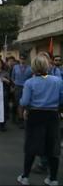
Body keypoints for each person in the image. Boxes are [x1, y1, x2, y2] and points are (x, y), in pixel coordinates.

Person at [17, 54, 62, 186]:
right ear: (47, 66)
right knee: (52, 147)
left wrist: (23, 104)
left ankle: (25, 177)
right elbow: (62, 99)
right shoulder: (57, 81)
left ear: (34, 67)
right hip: (52, 115)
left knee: (31, 146)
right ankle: (53, 178)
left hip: (35, 115)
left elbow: (24, 101)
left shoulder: (30, 82)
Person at [11, 54, 33, 129]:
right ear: (19, 59)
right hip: (17, 87)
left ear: (26, 60)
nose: (22, 60)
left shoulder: (30, 68)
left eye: (24, 59)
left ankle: (26, 119)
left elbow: (31, 78)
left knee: (26, 104)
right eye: (21, 59)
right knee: (19, 104)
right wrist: (14, 85)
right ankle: (21, 120)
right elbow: (12, 77)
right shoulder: (15, 67)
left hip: (26, 87)